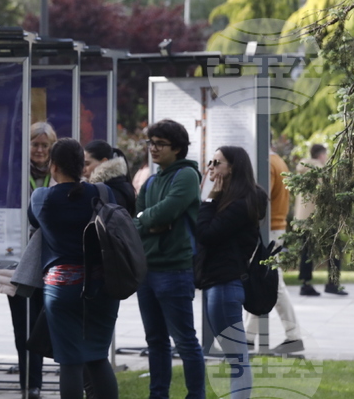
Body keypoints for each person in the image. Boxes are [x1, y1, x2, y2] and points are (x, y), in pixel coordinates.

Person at [28, 138, 120, 399]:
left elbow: (33, 221)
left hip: (61, 290)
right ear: (83, 165)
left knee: (69, 362)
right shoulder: (102, 193)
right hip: (101, 286)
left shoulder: (41, 198)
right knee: (98, 358)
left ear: (53, 166)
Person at [134, 119, 204, 399]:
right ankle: (158, 394)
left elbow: (167, 212)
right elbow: (135, 222)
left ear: (177, 148)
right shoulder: (151, 181)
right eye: (150, 143)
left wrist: (146, 220)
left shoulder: (186, 176)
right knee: (155, 341)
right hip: (147, 271)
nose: (153, 148)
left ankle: (196, 395)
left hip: (174, 271)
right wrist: (148, 222)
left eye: (159, 143)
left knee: (185, 341)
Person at [195, 147, 268, 399]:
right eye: (210, 162)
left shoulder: (239, 204)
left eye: (217, 162)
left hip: (226, 286)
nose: (211, 167)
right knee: (236, 358)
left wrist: (211, 198)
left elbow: (205, 234)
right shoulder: (235, 201)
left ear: (233, 168)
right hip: (221, 285)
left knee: (237, 359)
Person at [5, 121, 56, 399]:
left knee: (44, 322)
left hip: (50, 259)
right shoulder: (14, 173)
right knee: (22, 324)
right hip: (19, 258)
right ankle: (29, 383)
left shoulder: (59, 174)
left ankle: (42, 379)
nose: (38, 150)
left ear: (51, 149)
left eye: (44, 145)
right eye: (34, 144)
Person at [245, 149, 308, 355]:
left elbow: (261, 199)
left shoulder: (267, 163)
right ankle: (248, 337)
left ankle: (294, 336)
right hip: (274, 227)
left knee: (274, 284)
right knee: (262, 279)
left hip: (269, 229)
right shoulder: (278, 161)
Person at [294, 144, 329, 297]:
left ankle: (305, 283)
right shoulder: (318, 169)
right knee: (309, 252)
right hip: (313, 217)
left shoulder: (303, 168)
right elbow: (324, 192)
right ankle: (307, 285)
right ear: (321, 155)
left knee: (306, 251)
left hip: (301, 217)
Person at [84, 139, 137, 216]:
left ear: (104, 161)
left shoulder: (111, 190)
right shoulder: (119, 183)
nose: (83, 169)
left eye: (87, 164)